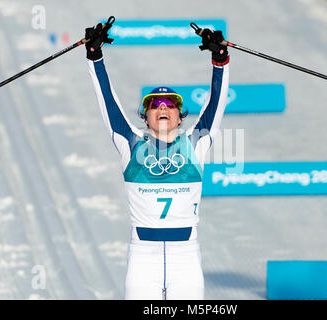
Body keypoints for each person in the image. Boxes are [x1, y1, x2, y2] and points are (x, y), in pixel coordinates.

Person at [85, 21, 229, 300]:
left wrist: (220, 61)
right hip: (142, 260)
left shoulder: (196, 143)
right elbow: (107, 102)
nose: (162, 108)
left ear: (179, 115)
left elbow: (215, 105)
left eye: (170, 105)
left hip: (185, 259)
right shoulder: (130, 143)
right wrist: (94, 56)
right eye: (154, 105)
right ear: (146, 116)